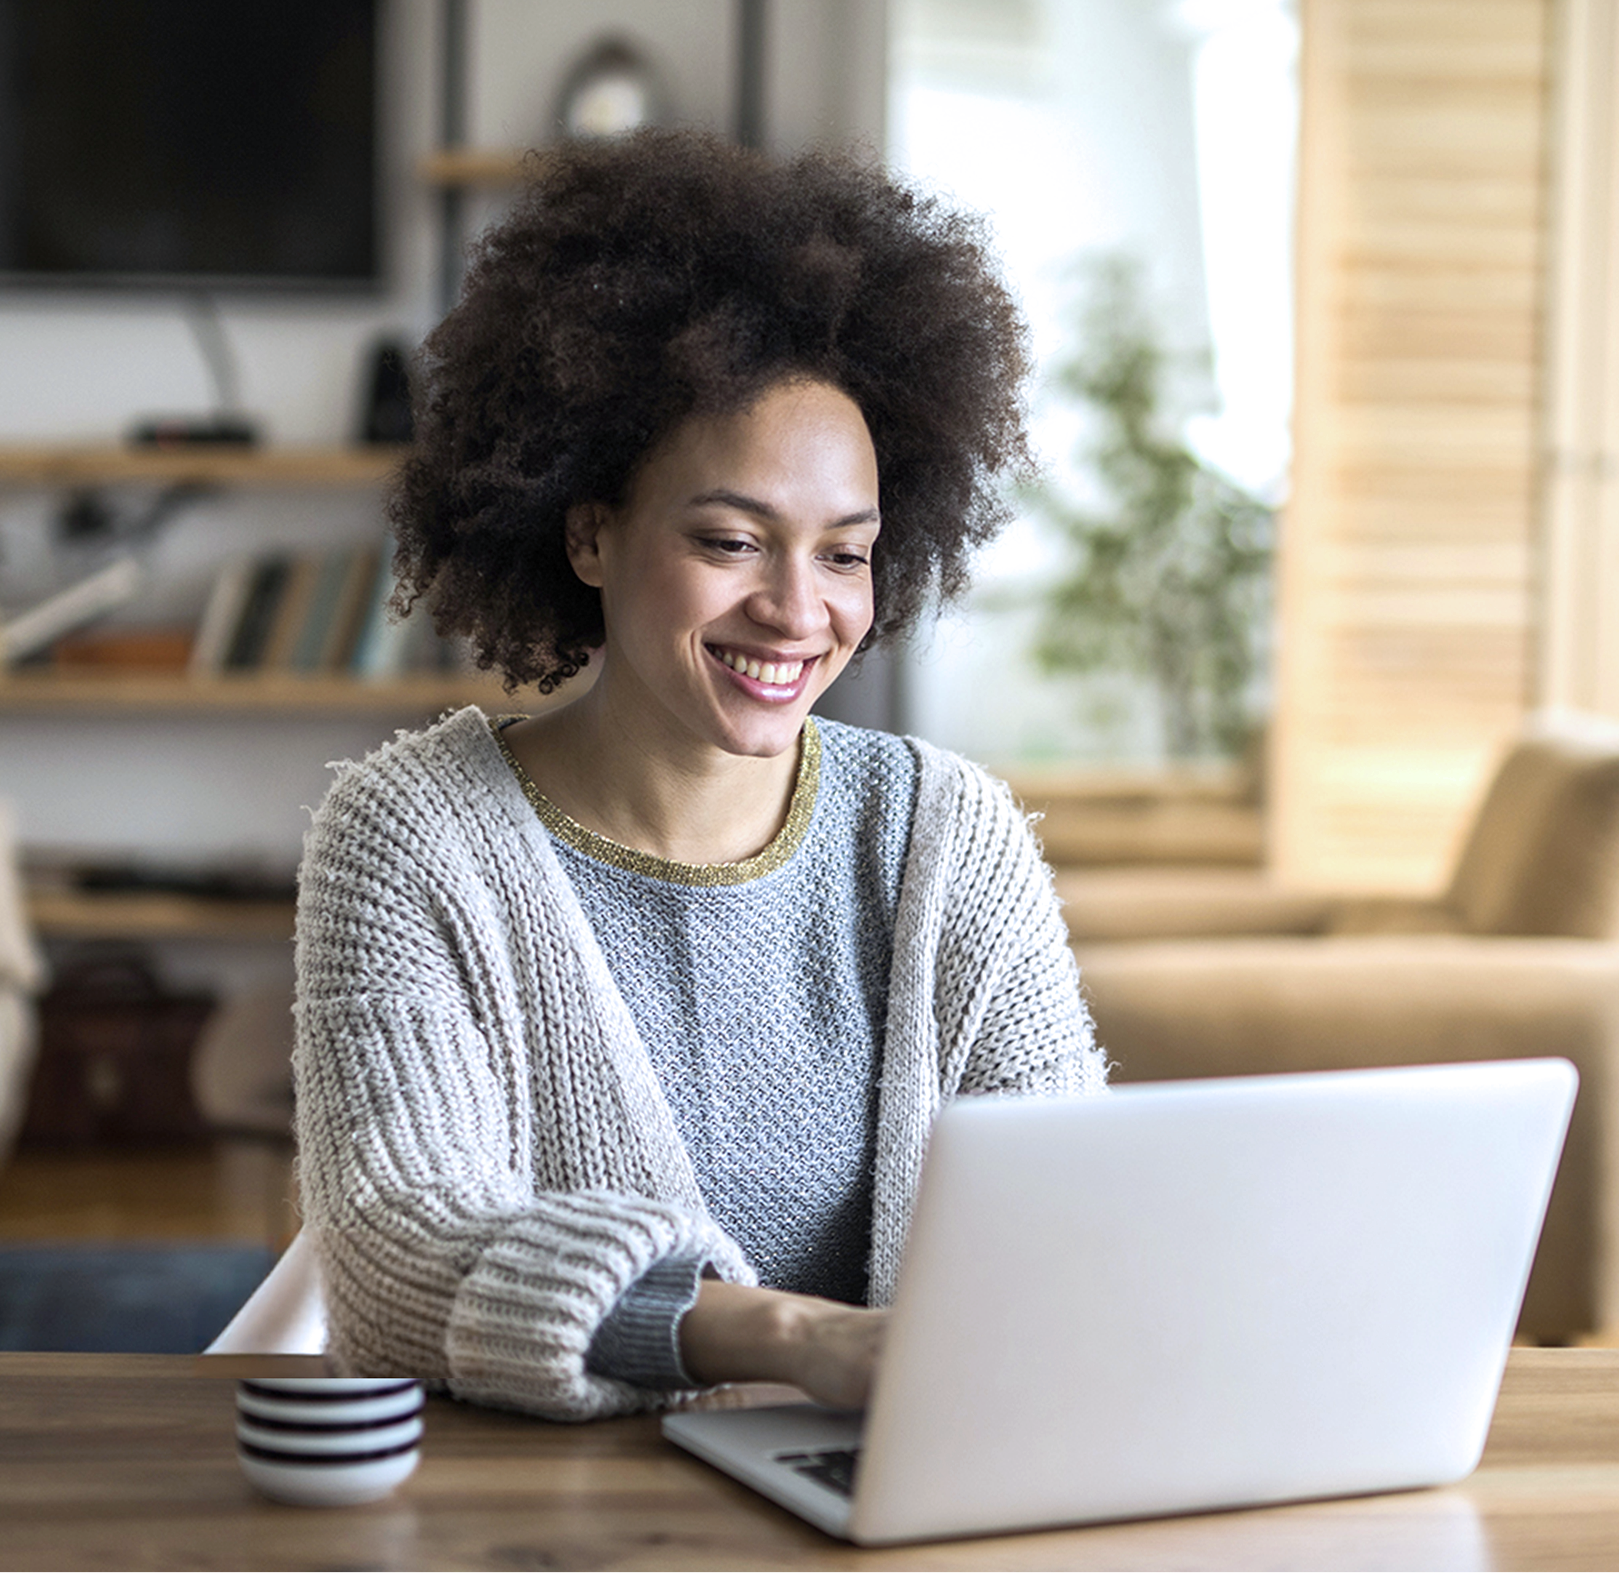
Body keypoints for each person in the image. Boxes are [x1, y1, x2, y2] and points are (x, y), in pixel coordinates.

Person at [293, 130, 1105, 1422]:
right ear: (590, 532)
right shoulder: (412, 836)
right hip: (560, 1505)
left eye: (845, 554)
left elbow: (1073, 1209)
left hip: (898, 1487)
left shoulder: (950, 836)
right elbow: (397, 1253)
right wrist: (791, 1338)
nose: (797, 610)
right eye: (731, 540)